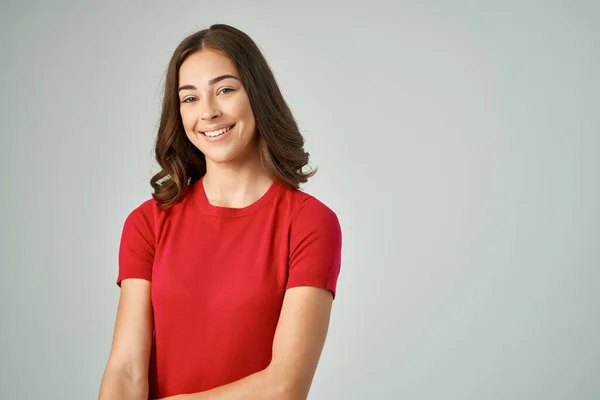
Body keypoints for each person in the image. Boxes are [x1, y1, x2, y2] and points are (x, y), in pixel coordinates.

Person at [98, 24, 343, 400]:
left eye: (225, 90)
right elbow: (126, 370)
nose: (208, 112)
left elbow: (285, 386)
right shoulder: (148, 223)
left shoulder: (309, 223)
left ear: (257, 97)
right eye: (190, 98)